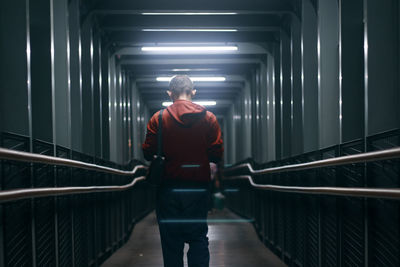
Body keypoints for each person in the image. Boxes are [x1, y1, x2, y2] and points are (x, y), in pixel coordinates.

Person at [142, 75, 224, 267]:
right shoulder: (209, 118)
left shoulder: (158, 118)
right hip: (197, 188)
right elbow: (216, 154)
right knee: (198, 237)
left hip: (168, 187)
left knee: (171, 241)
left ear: (169, 93)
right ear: (193, 92)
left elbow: (148, 152)